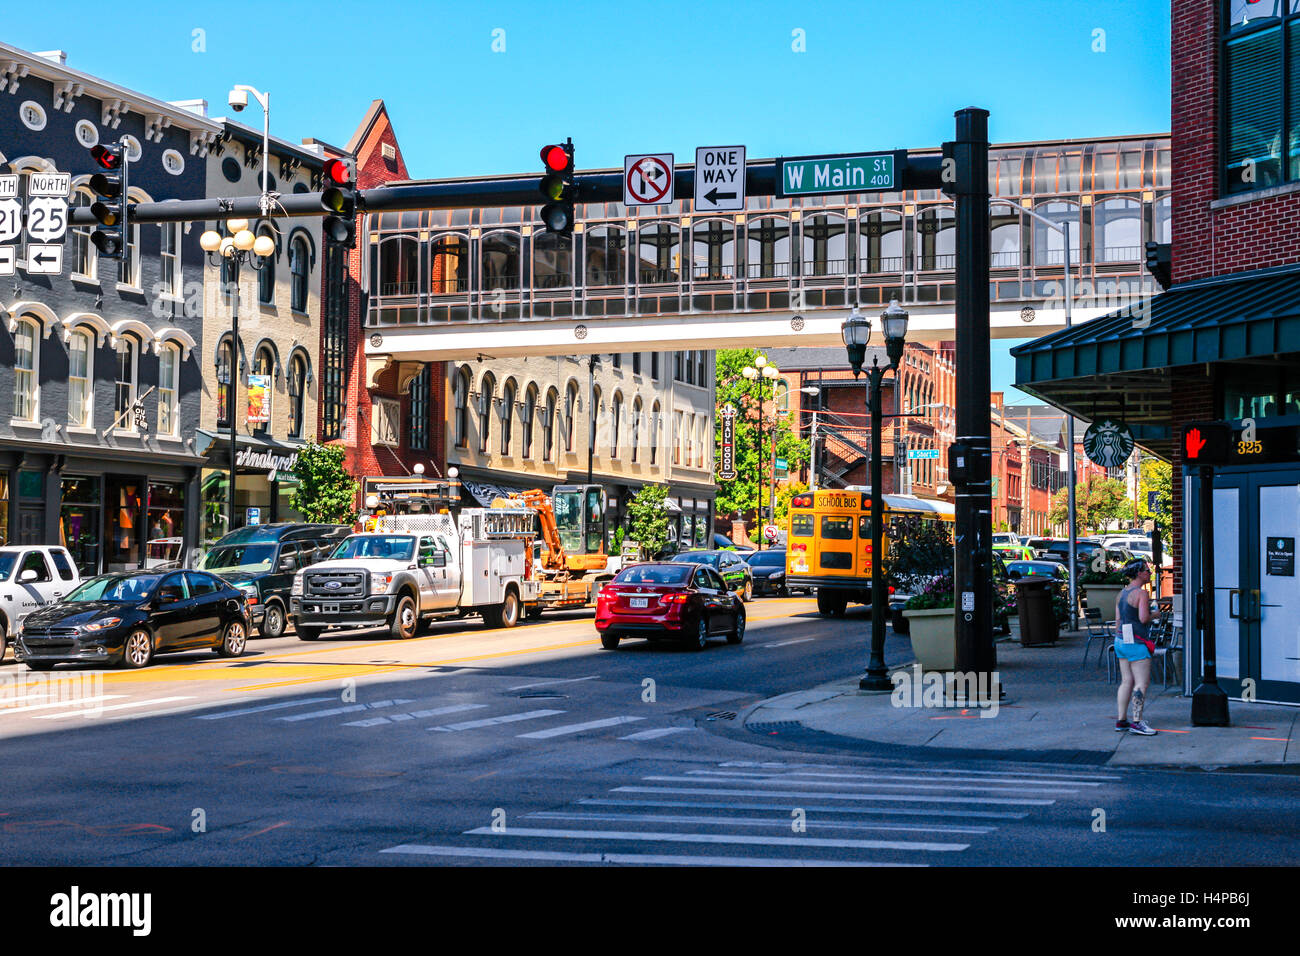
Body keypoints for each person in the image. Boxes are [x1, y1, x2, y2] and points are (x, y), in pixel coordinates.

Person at [1115, 558, 1159, 735]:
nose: (1149, 573)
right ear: (1139, 573)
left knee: (1126, 681)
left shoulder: (1121, 594)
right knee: (1141, 683)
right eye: (1147, 570)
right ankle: (1137, 721)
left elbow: (1118, 621)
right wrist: (1155, 614)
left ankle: (1121, 720)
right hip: (1137, 641)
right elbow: (1143, 618)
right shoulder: (1141, 594)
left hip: (1120, 640)